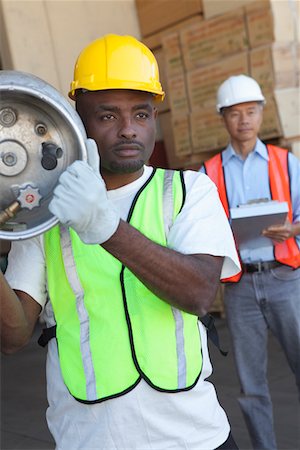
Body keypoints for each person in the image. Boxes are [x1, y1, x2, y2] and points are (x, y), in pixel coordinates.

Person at [1, 34, 241, 450]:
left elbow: (201, 293)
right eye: (108, 116)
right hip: (90, 439)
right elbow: (12, 336)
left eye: (142, 114)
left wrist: (105, 227)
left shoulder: (188, 191)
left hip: (195, 436)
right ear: (76, 121)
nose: (129, 129)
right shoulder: (45, 215)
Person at [201, 74, 300, 450]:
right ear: (223, 118)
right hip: (240, 289)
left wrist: (291, 230)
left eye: (251, 111)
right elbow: (199, 230)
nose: (244, 120)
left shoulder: (287, 163)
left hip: (286, 281)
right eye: (235, 113)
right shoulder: (208, 174)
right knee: (251, 385)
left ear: (261, 114)